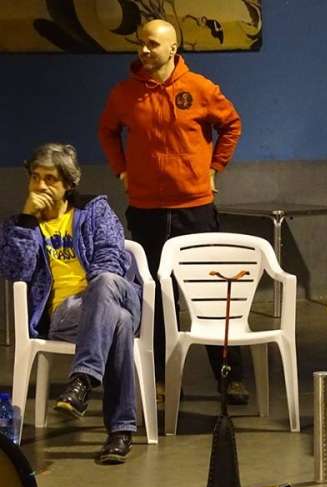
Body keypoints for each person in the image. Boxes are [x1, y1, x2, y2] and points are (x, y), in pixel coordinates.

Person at [97, 19, 248, 405]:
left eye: (152, 44)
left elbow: (231, 125)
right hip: (146, 210)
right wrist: (122, 170)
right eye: (141, 43)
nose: (144, 50)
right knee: (154, 298)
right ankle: (160, 380)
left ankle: (230, 377)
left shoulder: (199, 88)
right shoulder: (124, 94)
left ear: (173, 49)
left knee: (210, 292)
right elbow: (107, 131)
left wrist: (214, 168)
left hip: (194, 209)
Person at [0, 144, 142, 464]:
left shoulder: (95, 211)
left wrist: (95, 296)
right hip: (64, 316)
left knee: (105, 285)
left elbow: (111, 258)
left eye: (50, 179)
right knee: (117, 322)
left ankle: (82, 380)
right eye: (35, 177)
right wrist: (27, 220)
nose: (40, 186)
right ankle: (119, 431)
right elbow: (15, 270)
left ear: (68, 184)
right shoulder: (18, 225)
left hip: (114, 294)